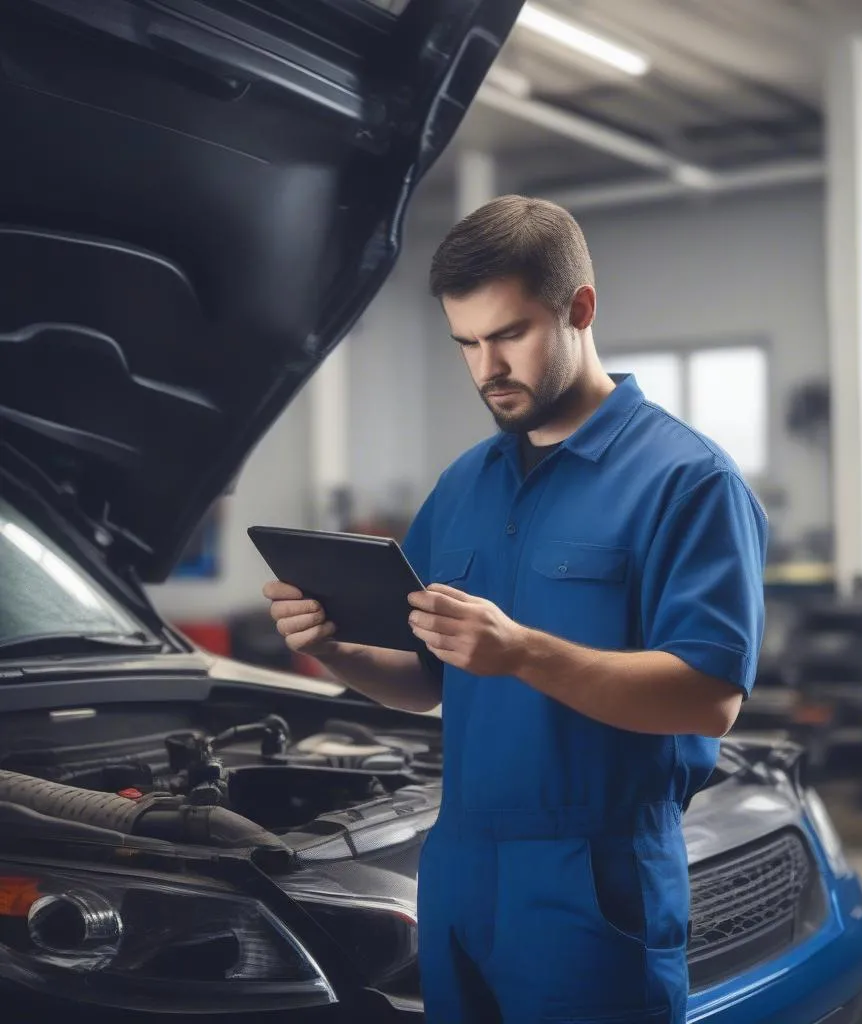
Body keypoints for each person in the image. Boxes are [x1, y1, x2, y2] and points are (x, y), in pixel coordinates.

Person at [263, 195, 768, 1023]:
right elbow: (426, 680)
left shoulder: (688, 480)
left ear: (581, 309)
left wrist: (525, 653)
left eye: (509, 335)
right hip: (459, 862)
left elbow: (709, 697)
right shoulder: (465, 482)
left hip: (594, 871)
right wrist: (333, 649)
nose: (486, 367)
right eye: (466, 343)